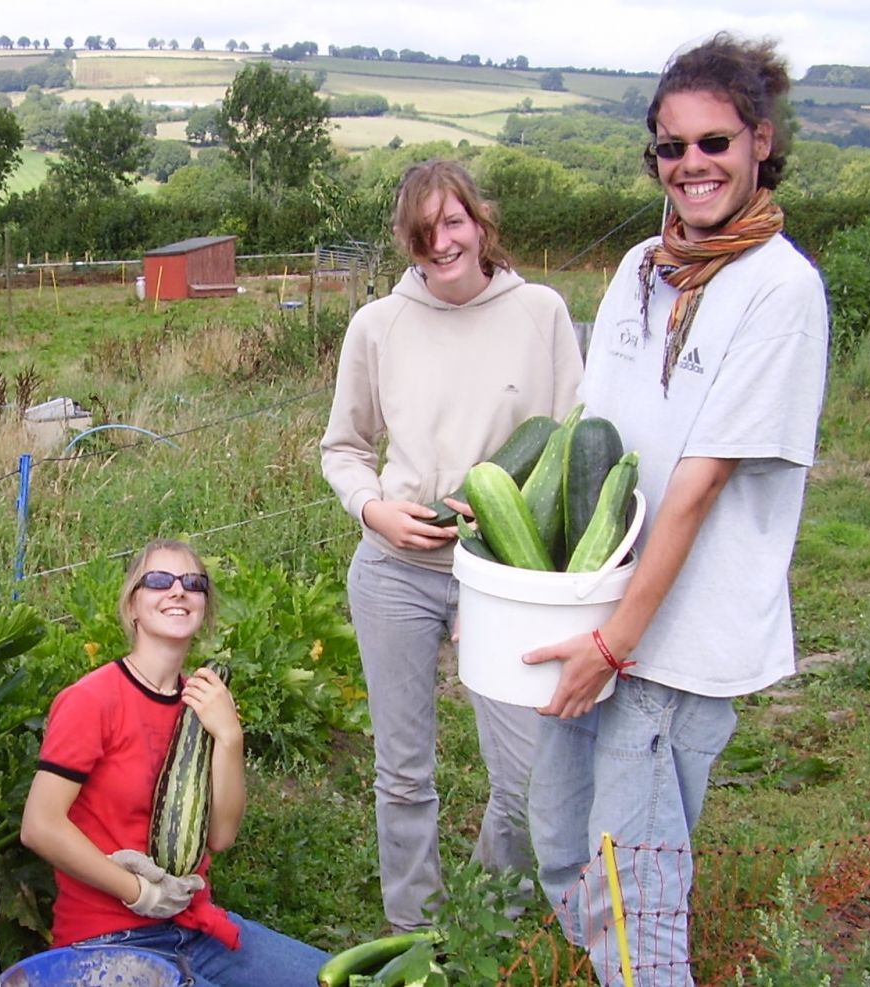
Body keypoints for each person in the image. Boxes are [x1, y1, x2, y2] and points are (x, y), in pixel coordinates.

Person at [523, 33, 829, 986]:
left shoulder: (781, 288)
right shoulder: (639, 269)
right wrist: (514, 504)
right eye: (671, 145)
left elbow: (696, 485)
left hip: (673, 638)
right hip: (602, 612)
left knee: (633, 887)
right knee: (563, 845)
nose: (691, 164)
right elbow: (595, 431)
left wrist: (618, 642)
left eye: (714, 142)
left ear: (760, 143)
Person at [319, 158, 584, 929]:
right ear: (408, 240)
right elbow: (343, 446)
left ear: (480, 221)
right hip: (394, 571)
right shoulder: (378, 325)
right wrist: (374, 509)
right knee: (403, 774)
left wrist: (502, 572)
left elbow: (571, 442)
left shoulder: (540, 313)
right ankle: (418, 934)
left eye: (454, 222)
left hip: (503, 579)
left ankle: (485, 914)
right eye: (424, 230)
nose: (442, 243)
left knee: (528, 776)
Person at [19, 539, 328, 986]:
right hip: (107, 941)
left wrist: (229, 736)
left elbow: (219, 836)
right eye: (160, 581)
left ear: (205, 606)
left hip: (194, 928)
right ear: (133, 607)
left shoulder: (204, 703)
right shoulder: (91, 700)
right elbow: (39, 826)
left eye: (193, 583)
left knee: (342, 977)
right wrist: (140, 892)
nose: (178, 591)